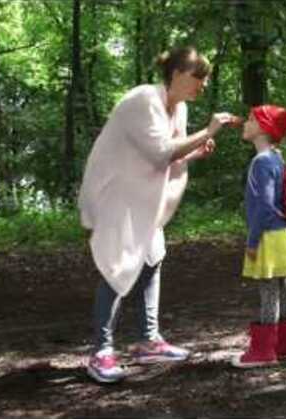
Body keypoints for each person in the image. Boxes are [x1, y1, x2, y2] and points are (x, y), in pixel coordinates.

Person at [78, 46, 238, 383]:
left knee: (152, 260)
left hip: (142, 198)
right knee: (118, 266)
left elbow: (170, 155)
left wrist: (195, 152)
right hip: (115, 195)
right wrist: (208, 131)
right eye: (198, 77)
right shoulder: (144, 99)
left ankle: (148, 341)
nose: (203, 85)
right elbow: (160, 153)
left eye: (205, 79)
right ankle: (101, 352)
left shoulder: (178, 108)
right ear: (177, 74)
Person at [231, 105, 286, 368]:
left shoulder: (261, 162)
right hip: (283, 234)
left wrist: (252, 241)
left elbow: (264, 205)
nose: (245, 123)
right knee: (285, 287)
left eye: (251, 120)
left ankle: (263, 351)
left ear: (264, 128)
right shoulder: (276, 157)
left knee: (269, 291)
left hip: (268, 236)